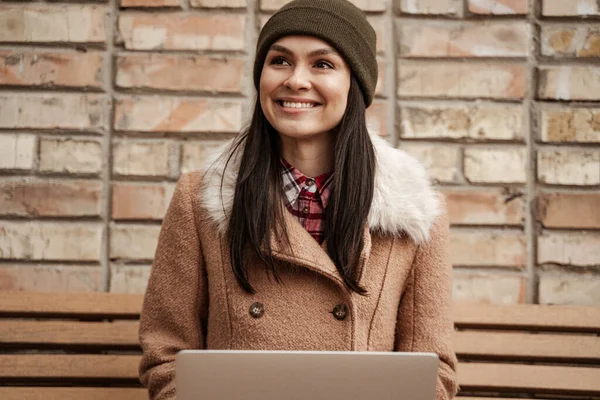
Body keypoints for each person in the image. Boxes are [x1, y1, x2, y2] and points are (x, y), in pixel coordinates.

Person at [138, 0, 458, 399]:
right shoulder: (201, 199)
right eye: (280, 61)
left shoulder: (413, 212)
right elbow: (165, 353)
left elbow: (433, 371)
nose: (296, 81)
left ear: (355, 84)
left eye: (322, 64)